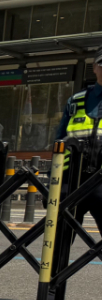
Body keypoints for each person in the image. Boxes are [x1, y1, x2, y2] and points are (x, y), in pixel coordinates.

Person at [56, 47, 102, 229]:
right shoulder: (76, 101)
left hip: (101, 180)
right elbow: (58, 143)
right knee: (60, 241)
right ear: (94, 67)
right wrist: (54, 182)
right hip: (72, 179)